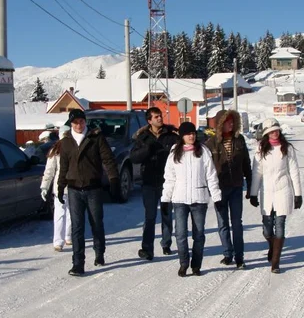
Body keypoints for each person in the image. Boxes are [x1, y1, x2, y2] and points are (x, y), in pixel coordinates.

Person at [57, 109, 120, 276]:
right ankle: (78, 263)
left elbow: (108, 159)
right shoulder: (66, 142)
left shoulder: (96, 138)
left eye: (81, 122)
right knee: (77, 227)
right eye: (75, 122)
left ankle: (99, 252)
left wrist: (113, 179)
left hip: (93, 188)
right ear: (70, 124)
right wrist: (59, 186)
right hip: (74, 189)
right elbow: (63, 167)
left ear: (85, 122)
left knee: (96, 222)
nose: (79, 125)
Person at [161, 122, 222, 277]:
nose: (191, 136)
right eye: (188, 134)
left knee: (199, 234)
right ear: (182, 136)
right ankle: (184, 264)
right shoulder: (175, 152)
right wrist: (165, 199)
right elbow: (170, 178)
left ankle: (196, 265)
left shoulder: (203, 151)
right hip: (179, 200)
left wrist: (217, 197)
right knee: (180, 234)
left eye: (193, 133)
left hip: (199, 199)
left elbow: (211, 176)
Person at [248, 118, 303, 274]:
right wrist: (253, 193)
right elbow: (257, 173)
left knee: (279, 226)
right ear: (266, 134)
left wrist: (298, 194)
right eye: (272, 131)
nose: (275, 133)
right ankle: (273, 246)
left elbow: (294, 172)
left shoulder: (287, 149)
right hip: (266, 192)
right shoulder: (260, 149)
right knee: (267, 229)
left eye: (277, 130)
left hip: (282, 190)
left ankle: (275, 263)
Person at [130, 107, 179, 261]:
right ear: (149, 120)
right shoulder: (143, 137)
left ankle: (166, 243)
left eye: (160, 116)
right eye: (156, 117)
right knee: (150, 216)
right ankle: (147, 249)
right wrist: (147, 150)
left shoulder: (171, 136)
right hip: (149, 182)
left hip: (167, 182)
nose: (160, 118)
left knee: (166, 215)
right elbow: (134, 157)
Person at [205, 109, 252, 269]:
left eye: (233, 121)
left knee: (237, 223)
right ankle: (227, 253)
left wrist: (250, 186)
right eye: (227, 121)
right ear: (220, 124)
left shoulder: (239, 140)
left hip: (236, 187)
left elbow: (246, 163)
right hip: (219, 189)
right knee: (222, 223)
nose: (231, 124)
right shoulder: (210, 144)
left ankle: (239, 257)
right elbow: (206, 168)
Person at [40, 125, 72, 252]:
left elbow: (49, 171)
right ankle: (62, 239)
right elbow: (49, 171)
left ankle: (65, 238)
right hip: (63, 187)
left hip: (72, 186)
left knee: (65, 213)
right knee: (66, 213)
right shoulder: (57, 150)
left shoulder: (59, 148)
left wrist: (45, 186)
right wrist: (44, 186)